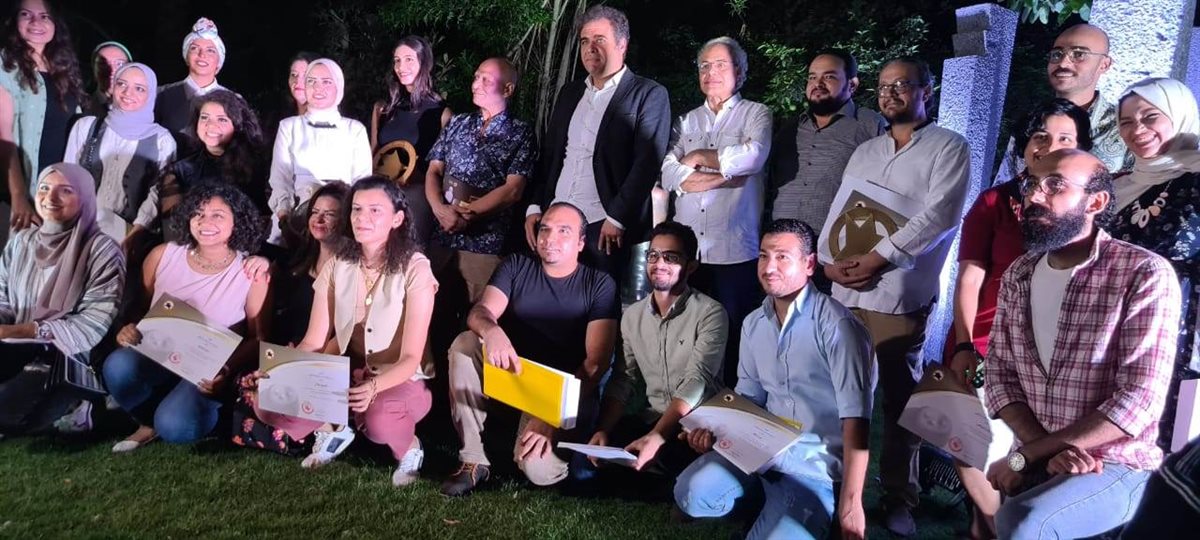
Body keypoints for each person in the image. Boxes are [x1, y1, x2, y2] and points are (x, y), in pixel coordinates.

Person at [985, 149, 1181, 538]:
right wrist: (1045, 451)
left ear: (1096, 202)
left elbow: (1139, 401)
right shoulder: (1019, 273)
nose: (1034, 195)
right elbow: (999, 375)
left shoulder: (1143, 273)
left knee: (1024, 522)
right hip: (1040, 452)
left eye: (1054, 185)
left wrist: (1029, 455)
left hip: (1116, 463)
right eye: (1031, 184)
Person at [818, 56, 971, 536]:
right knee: (837, 391)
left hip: (899, 293)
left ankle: (900, 495)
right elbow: (842, 209)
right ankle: (829, 482)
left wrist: (878, 258)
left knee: (900, 400)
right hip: (846, 290)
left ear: (927, 91)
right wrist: (826, 260)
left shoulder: (949, 147)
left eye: (902, 85)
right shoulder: (867, 151)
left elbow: (939, 215)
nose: (890, 94)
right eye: (883, 86)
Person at [673, 219, 876, 540]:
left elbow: (857, 421)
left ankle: (803, 513)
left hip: (813, 467)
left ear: (809, 264)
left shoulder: (838, 327)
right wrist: (714, 429)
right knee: (690, 493)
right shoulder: (754, 323)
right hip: (759, 452)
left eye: (782, 257)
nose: (769, 267)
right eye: (764, 256)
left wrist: (852, 505)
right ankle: (760, 503)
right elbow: (749, 398)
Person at [946, 98, 1093, 539]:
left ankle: (991, 526)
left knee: (1022, 448)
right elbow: (970, 277)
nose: (1049, 146)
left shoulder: (1085, 209)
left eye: (1065, 139)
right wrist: (964, 343)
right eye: (1040, 136)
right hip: (985, 342)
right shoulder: (995, 202)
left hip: (1052, 353)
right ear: (1025, 145)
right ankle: (992, 524)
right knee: (967, 443)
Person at [238, 176, 437, 486]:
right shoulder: (338, 264)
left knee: (378, 419)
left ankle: (409, 448)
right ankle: (334, 429)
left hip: (399, 376)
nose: (361, 218)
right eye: (356, 209)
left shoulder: (415, 268)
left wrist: (374, 386)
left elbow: (411, 357)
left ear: (397, 219)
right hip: (343, 371)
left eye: (374, 210)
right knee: (267, 401)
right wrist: (278, 373)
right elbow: (314, 341)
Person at [442, 202, 620, 496]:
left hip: (562, 390)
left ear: (580, 243)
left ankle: (570, 454)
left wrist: (551, 416)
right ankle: (473, 459)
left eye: (563, 231)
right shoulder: (517, 265)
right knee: (466, 344)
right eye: (545, 229)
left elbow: (595, 364)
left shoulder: (599, 284)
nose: (550, 238)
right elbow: (481, 312)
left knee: (537, 470)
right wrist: (492, 330)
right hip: (514, 375)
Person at [103, 184, 268, 451]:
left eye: (217, 215)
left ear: (236, 222)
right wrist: (127, 328)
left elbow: (258, 338)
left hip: (208, 370)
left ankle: (205, 414)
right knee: (118, 366)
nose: (205, 222)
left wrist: (226, 370)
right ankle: (147, 422)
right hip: (158, 357)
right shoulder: (162, 255)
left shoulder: (251, 272)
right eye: (198, 214)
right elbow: (137, 308)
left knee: (175, 425)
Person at [524, 5, 671, 284]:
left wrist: (617, 218)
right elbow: (551, 155)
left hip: (604, 226)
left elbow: (646, 164)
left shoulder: (648, 94)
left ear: (622, 44)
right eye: (584, 41)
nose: (590, 48)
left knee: (599, 303)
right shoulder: (570, 93)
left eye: (599, 40)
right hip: (556, 218)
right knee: (547, 298)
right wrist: (535, 206)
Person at [660, 36, 771, 388]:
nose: (711, 72)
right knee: (685, 334)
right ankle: (681, 405)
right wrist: (724, 174)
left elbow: (753, 157)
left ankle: (729, 406)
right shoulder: (686, 121)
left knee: (733, 336)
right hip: (688, 253)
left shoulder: (756, 113)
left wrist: (696, 159)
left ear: (739, 71)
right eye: (704, 66)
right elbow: (668, 174)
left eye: (720, 64)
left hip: (734, 249)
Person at [589, 221, 725, 488]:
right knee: (588, 466)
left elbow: (697, 379)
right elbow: (624, 378)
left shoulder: (710, 313)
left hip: (694, 425)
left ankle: (663, 474)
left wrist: (658, 436)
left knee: (676, 460)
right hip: (652, 418)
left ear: (691, 266)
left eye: (670, 257)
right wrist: (603, 429)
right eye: (653, 255)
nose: (659, 263)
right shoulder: (632, 315)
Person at [1110, 77, 1200, 452]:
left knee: (1171, 451)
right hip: (1111, 331)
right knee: (1107, 442)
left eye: (1150, 117)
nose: (1137, 130)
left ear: (1179, 115)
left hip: (1181, 337)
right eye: (1126, 122)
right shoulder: (1116, 186)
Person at [0, 163, 124, 436]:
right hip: (16, 347)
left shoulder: (102, 250)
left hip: (69, 356)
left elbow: (92, 323)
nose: (50, 198)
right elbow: (2, 299)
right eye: (44, 188)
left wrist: (26, 331)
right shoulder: (21, 242)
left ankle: (83, 400)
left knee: (12, 416)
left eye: (65, 190)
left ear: (85, 197)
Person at [425, 57, 536, 306]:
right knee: (433, 310)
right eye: (476, 77)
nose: (476, 84)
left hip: (485, 243)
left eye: (486, 79)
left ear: (507, 89)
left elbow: (513, 189)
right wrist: (439, 209)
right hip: (442, 235)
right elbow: (433, 170)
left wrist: (466, 215)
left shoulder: (520, 132)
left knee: (477, 314)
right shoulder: (457, 123)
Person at [768, 49, 887, 261]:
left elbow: (886, 187)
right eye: (812, 77)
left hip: (838, 250)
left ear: (852, 85)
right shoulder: (790, 128)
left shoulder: (871, 125)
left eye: (829, 77)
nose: (818, 84)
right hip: (781, 250)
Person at [994, 23, 1130, 182]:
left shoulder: (1124, 130)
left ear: (1104, 64)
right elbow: (1004, 185)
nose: (1063, 63)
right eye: (1057, 54)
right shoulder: (1032, 121)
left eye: (1079, 54)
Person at [63, 62, 176, 243]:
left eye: (139, 88)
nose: (127, 93)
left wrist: (134, 235)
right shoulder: (86, 127)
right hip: (79, 231)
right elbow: (66, 178)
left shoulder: (162, 140)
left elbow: (158, 192)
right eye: (121, 84)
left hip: (129, 238)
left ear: (151, 94)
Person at [0, 0, 84, 235]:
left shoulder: (64, 68)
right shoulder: (5, 66)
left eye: (45, 16)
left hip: (57, 194)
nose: (36, 22)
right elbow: (3, 135)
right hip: (20, 193)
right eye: (26, 14)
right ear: (14, 21)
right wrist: (18, 196)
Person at [267, 58, 372, 246]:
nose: (318, 88)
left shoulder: (354, 129)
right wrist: (284, 215)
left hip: (341, 214)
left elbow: (362, 182)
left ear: (338, 86)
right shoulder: (289, 126)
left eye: (326, 82)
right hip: (296, 213)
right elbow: (280, 178)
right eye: (311, 81)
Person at [371, 36, 452, 246]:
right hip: (381, 191)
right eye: (397, 60)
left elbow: (443, 169)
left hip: (417, 193)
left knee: (409, 251)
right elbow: (373, 154)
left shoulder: (441, 113)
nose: (401, 67)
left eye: (409, 59)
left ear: (424, 63)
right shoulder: (383, 109)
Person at [156, 89, 269, 227]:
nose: (210, 125)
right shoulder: (180, 170)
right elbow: (172, 225)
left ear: (238, 125)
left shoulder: (260, 166)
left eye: (222, 119)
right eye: (204, 117)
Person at [269, 181, 347, 347]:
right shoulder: (299, 255)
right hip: (279, 347)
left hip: (319, 354)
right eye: (315, 212)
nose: (318, 219)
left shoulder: (351, 270)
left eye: (329, 214)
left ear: (346, 220)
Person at [155, 17, 231, 143]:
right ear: (186, 56)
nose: (202, 55)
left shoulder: (233, 100)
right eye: (194, 48)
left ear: (219, 61)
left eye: (210, 50)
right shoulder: (161, 94)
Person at [84, 41, 130, 115]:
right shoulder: (81, 107)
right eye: (103, 64)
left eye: (119, 64)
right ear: (94, 69)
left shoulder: (143, 106)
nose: (112, 70)